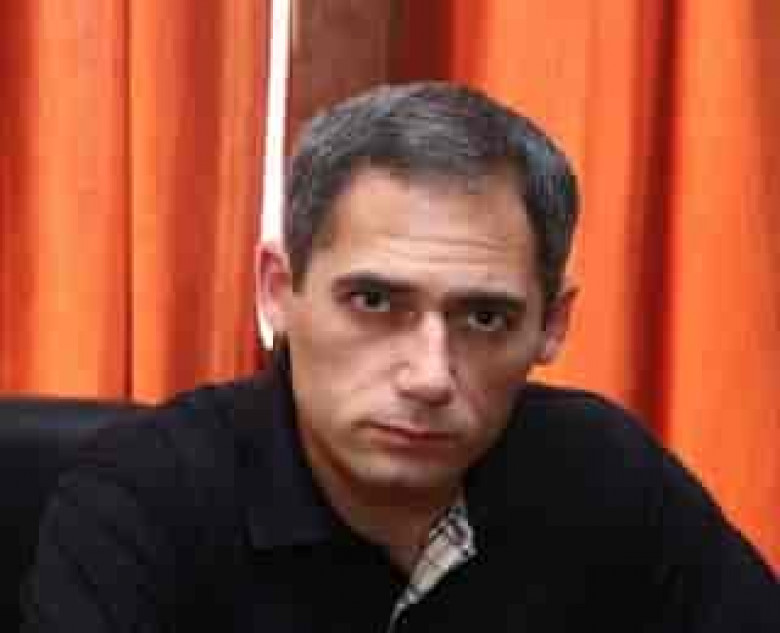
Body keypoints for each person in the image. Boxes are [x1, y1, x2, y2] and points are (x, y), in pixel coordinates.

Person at [22, 82, 778, 632]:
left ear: (553, 324)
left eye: (484, 316)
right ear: (280, 290)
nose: (429, 375)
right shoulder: (142, 500)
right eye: (375, 302)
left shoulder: (605, 474)